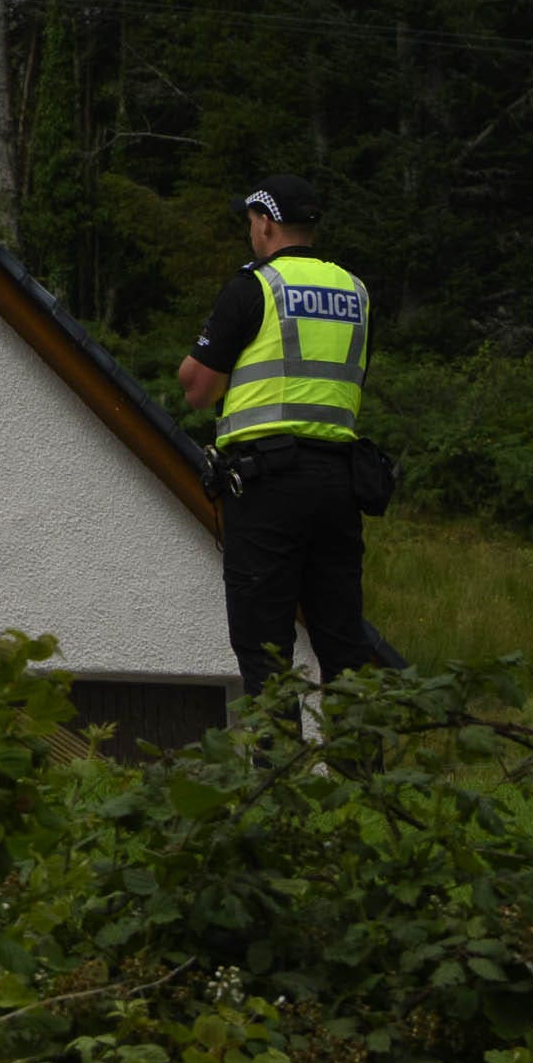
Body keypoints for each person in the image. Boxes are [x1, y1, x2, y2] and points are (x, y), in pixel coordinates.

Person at [174, 175, 398, 694]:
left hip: (267, 483)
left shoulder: (254, 287)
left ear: (266, 224)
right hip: (343, 482)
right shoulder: (355, 291)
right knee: (344, 641)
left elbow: (198, 389)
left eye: (251, 222)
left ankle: (277, 772)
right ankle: (360, 770)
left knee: (264, 646)